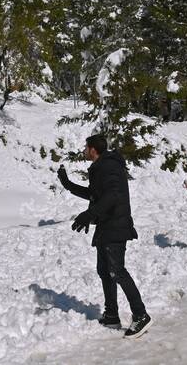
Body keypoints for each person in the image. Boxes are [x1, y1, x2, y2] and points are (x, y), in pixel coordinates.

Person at [56, 134, 152, 339]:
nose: (84, 150)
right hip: (107, 226)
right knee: (105, 270)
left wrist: (89, 214)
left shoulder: (108, 166)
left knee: (117, 270)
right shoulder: (102, 167)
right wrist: (68, 184)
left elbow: (114, 195)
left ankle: (141, 314)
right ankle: (111, 315)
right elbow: (95, 195)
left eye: (86, 147)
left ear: (93, 150)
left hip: (116, 225)